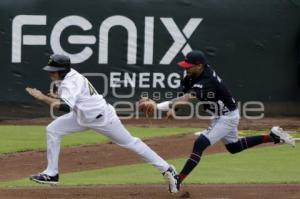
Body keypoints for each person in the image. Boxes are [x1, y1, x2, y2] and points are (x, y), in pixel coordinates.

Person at [139, 50, 295, 191]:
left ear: (199, 65)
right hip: (219, 115)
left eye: (189, 66)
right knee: (234, 147)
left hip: (227, 117)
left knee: (200, 143)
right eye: (185, 66)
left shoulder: (207, 80)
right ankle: (272, 136)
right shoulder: (191, 76)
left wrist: (157, 106)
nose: (185, 69)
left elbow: (187, 98)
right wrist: (174, 108)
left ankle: (178, 180)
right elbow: (183, 95)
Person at [25, 54, 179, 193]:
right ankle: (52, 173)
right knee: (53, 129)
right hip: (83, 117)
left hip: (102, 119)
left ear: (63, 70)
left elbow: (65, 107)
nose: (51, 73)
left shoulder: (70, 82)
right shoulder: (67, 79)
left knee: (131, 143)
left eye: (54, 70)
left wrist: (42, 98)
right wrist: (57, 96)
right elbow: (74, 98)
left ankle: (167, 169)